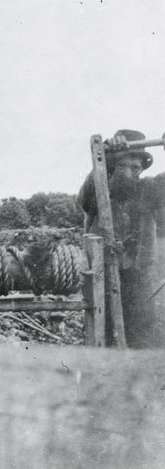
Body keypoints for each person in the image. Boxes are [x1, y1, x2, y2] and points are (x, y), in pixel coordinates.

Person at [77, 129, 165, 348]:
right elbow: (83, 198)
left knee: (143, 333)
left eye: (136, 168)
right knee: (103, 331)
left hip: (138, 274)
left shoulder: (149, 189)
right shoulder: (99, 192)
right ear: (111, 168)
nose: (130, 173)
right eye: (122, 166)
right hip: (103, 274)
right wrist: (104, 158)